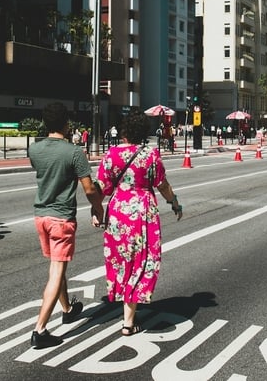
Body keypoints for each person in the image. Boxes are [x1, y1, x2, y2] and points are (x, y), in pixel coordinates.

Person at [94, 109, 183, 337]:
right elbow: (162, 184)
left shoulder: (111, 155)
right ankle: (128, 321)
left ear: (123, 132)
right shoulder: (150, 155)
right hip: (143, 212)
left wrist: (96, 211)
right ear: (143, 132)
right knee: (142, 261)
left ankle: (126, 311)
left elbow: (101, 187)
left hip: (117, 213)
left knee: (120, 260)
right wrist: (174, 203)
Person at [27, 102, 104, 349]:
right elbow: (90, 188)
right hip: (61, 218)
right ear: (66, 123)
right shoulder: (73, 153)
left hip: (41, 216)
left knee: (56, 267)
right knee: (56, 272)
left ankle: (68, 309)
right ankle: (40, 330)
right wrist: (98, 207)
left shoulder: (34, 149)